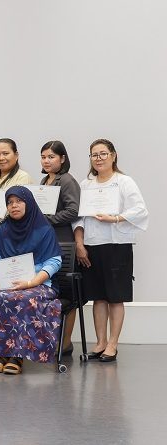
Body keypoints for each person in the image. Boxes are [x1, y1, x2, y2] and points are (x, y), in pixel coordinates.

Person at [74, 139, 148, 362]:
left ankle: (113, 345)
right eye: (94, 155)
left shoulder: (124, 182)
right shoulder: (86, 185)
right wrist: (80, 244)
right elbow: (78, 218)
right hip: (91, 247)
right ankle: (100, 343)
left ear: (113, 155)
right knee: (98, 297)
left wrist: (114, 218)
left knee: (115, 297)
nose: (99, 158)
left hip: (117, 246)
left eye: (103, 153)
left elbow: (139, 209)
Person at [0, 186, 63, 375]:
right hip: (9, 282)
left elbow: (54, 261)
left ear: (29, 203)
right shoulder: (3, 229)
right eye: (10, 202)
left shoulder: (44, 229)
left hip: (39, 283)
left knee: (24, 298)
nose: (14, 206)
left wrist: (31, 283)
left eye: (19, 201)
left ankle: (16, 356)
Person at [39, 140, 81, 353]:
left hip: (63, 242)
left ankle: (65, 343)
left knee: (67, 294)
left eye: (51, 157)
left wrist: (48, 220)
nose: (46, 161)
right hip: (46, 242)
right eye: (43, 157)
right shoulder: (44, 180)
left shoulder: (67, 180)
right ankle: (51, 340)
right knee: (51, 291)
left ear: (62, 158)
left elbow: (73, 211)